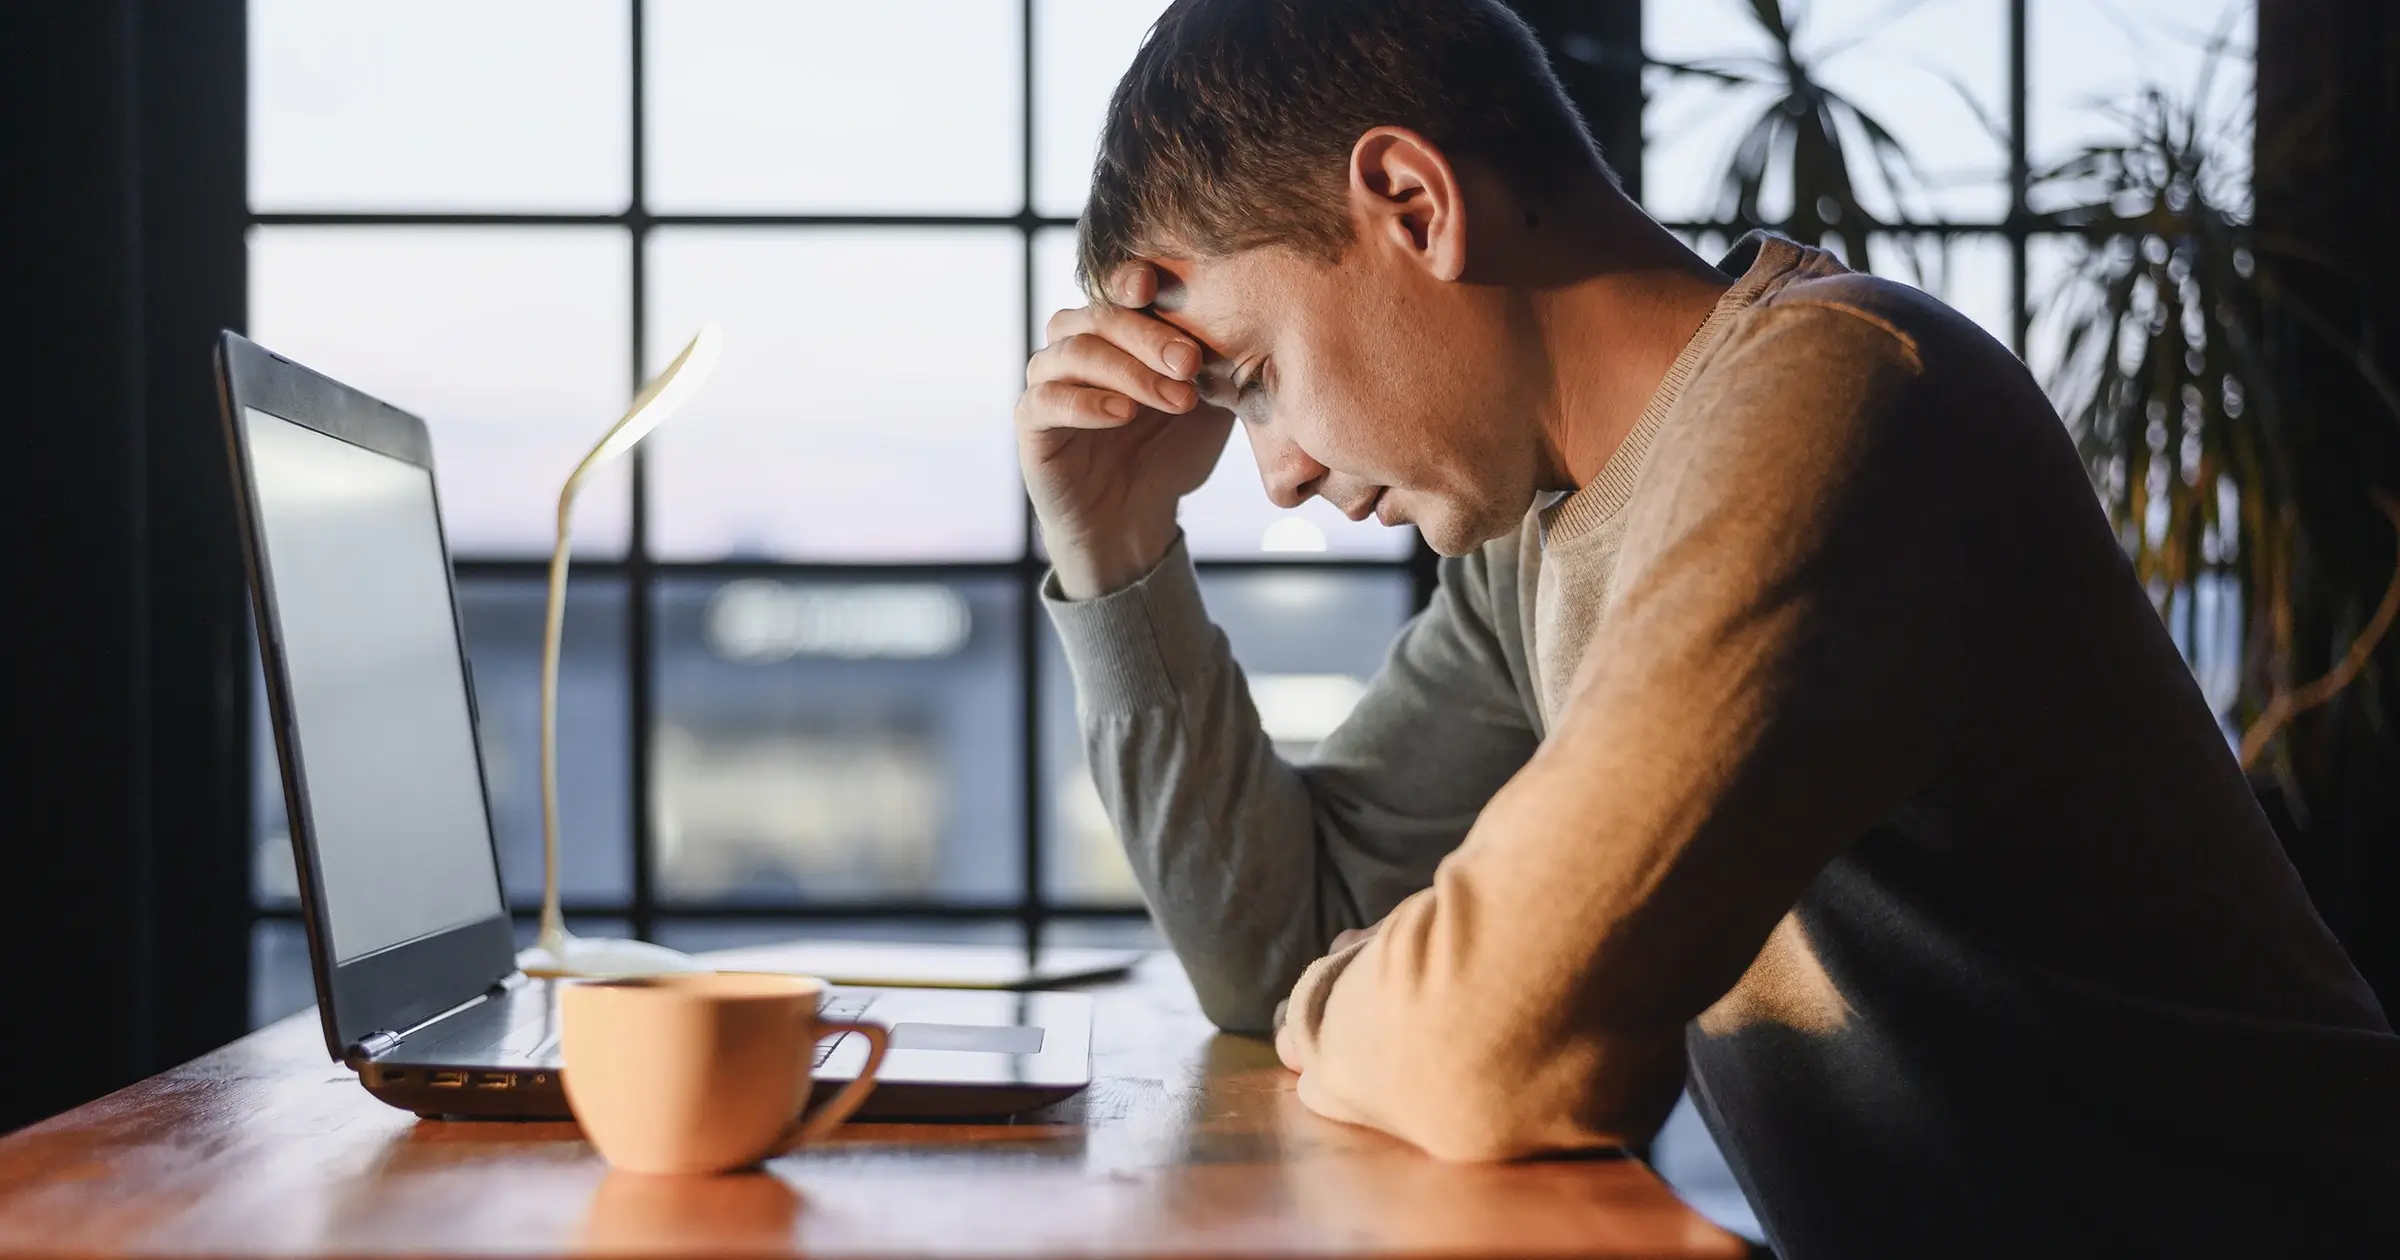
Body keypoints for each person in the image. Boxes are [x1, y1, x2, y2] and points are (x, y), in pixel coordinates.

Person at [1015, 0, 2400, 1254]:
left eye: (1254, 381)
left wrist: (1355, 993)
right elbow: (1279, 951)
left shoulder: (1838, 403)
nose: (1281, 475)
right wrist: (1118, 553)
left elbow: (1504, 1045)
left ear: (1412, 203)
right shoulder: (1532, 537)